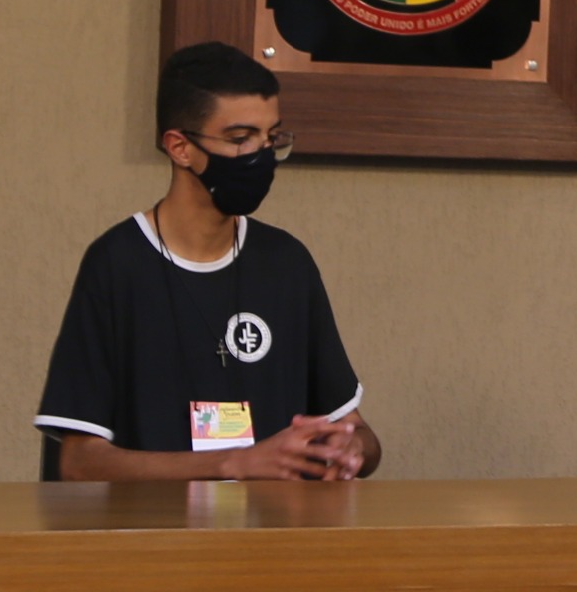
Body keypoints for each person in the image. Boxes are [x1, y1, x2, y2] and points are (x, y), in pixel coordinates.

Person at [35, 40, 378, 481]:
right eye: (240, 139)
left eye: (271, 138)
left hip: (273, 524)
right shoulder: (117, 264)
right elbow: (79, 463)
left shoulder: (286, 263)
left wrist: (352, 447)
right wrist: (234, 463)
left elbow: (359, 432)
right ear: (180, 147)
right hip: (154, 525)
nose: (261, 156)